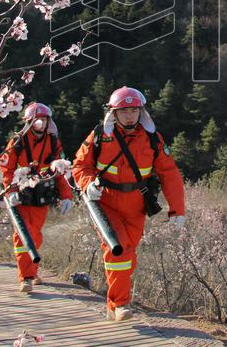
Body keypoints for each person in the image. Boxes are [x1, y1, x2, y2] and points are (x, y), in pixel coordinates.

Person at [72, 87, 186, 322]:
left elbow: (170, 174)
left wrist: (178, 210)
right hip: (106, 203)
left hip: (136, 206)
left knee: (128, 254)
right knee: (119, 248)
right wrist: (87, 184)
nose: (129, 116)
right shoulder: (100, 135)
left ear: (141, 112)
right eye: (124, 111)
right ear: (114, 113)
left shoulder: (153, 139)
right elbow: (80, 165)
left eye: (134, 110)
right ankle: (120, 304)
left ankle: (113, 305)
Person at [0, 102, 74, 292]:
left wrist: (67, 196)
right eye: (36, 119)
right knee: (23, 234)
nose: (40, 123)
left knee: (37, 236)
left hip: (41, 192)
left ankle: (32, 270)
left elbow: (60, 169)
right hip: (21, 192)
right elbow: (6, 169)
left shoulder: (53, 141)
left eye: (43, 119)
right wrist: (12, 191)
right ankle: (25, 277)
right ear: (28, 122)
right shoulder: (17, 142)